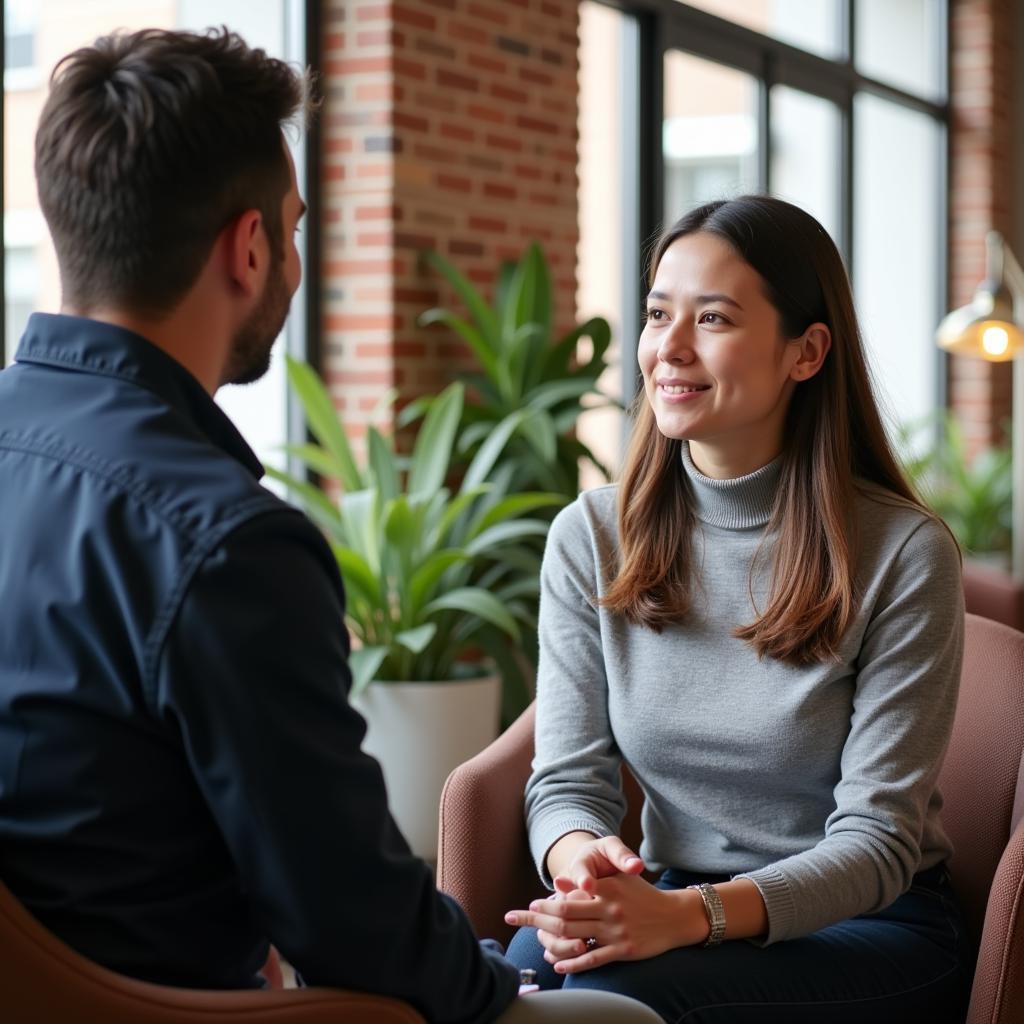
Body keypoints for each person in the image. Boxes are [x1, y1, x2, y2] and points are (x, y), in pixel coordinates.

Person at [0, 27, 659, 1024]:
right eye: (296, 229)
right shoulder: (222, 541)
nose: (296, 261)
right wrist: (495, 975)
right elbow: (353, 921)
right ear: (250, 247)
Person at [502, 195, 974, 1023]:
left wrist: (693, 919)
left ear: (807, 351)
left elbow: (879, 842)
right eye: (657, 314)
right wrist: (583, 863)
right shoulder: (592, 535)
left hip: (866, 924)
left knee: (606, 998)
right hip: (672, 895)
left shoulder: (903, 553)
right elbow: (567, 780)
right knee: (513, 979)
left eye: (713, 318)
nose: (669, 349)